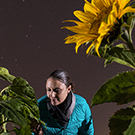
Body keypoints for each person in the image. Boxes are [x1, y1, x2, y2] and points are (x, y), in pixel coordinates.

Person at [32, 69, 94, 135]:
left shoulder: (82, 105)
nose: (52, 95)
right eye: (49, 90)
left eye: (57, 90)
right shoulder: (38, 106)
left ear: (68, 89)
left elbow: (87, 132)